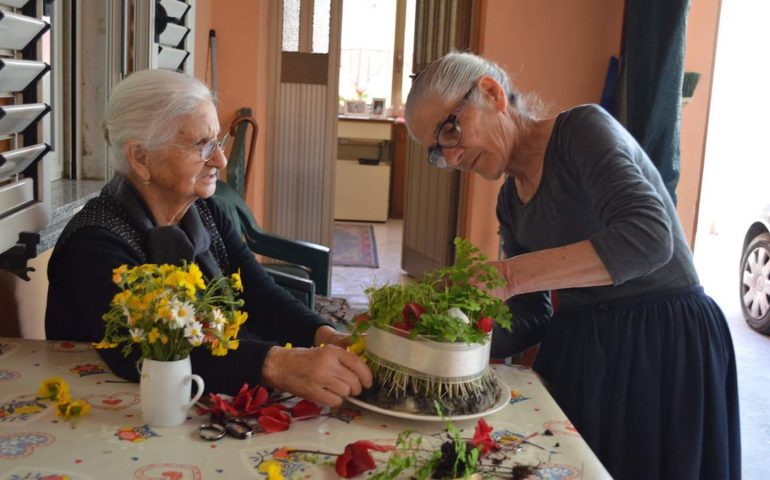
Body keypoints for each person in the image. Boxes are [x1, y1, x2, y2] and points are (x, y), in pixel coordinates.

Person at [404, 52, 740, 480]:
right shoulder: (510, 200)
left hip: (661, 343)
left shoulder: (582, 131)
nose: (451, 159)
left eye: (450, 130)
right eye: (437, 152)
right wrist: (454, 339)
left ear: (490, 93)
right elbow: (532, 314)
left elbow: (650, 238)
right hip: (586, 348)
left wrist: (508, 276)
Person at [45, 69, 372, 406]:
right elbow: (150, 354)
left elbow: (257, 292)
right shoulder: (95, 244)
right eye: (202, 145)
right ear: (141, 157)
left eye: (217, 141)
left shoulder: (204, 212)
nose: (221, 158)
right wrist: (279, 364)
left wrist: (325, 335)